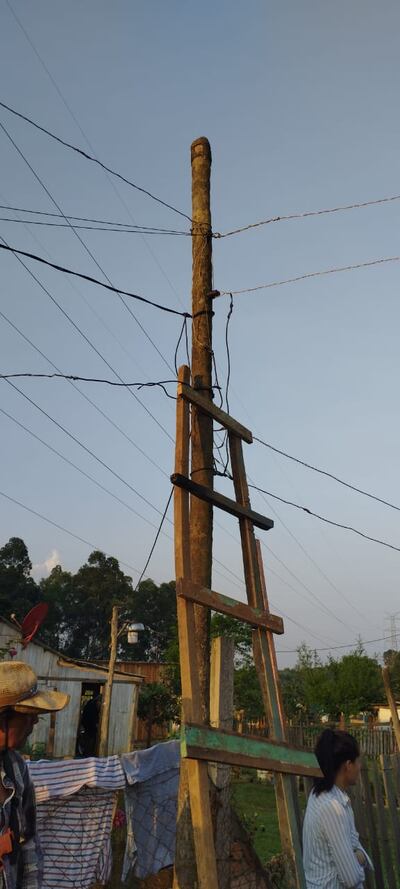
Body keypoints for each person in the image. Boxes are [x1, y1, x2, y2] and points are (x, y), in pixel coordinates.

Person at [0, 660, 69, 888]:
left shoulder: (17, 768)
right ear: (2, 720)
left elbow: (27, 842)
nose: (35, 720)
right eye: (28, 714)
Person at [303, 728, 373, 889]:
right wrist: (358, 860)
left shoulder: (326, 797)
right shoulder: (331, 808)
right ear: (348, 765)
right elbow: (351, 879)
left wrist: (356, 857)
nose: (360, 766)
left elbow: (355, 844)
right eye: (358, 761)